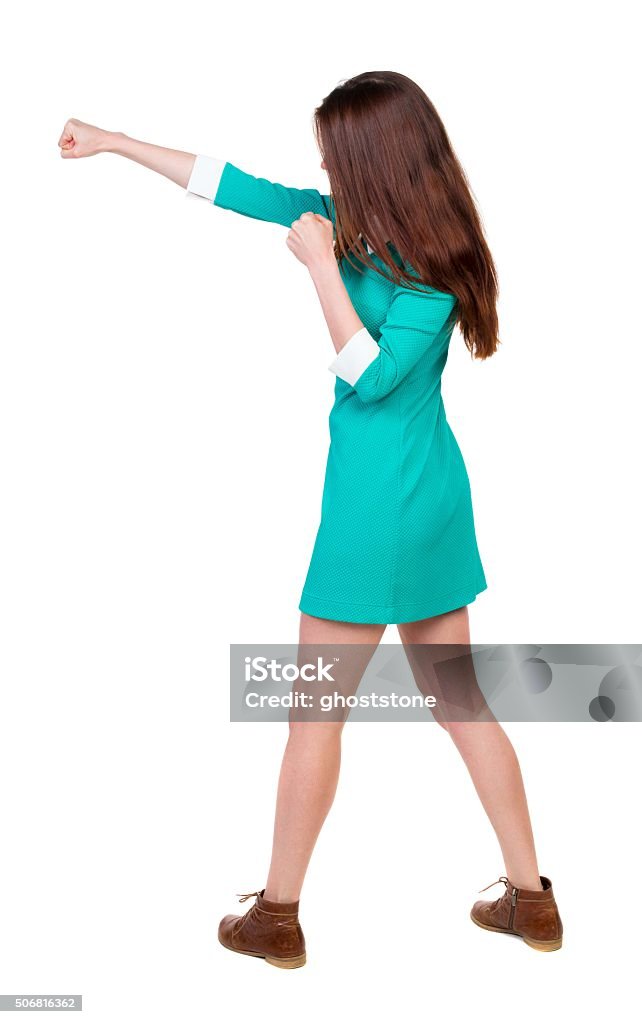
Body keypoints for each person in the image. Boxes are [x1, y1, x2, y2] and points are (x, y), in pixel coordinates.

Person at [58, 70, 563, 967]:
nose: (321, 166)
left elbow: (365, 374)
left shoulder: (423, 272)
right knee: (459, 701)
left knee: (314, 716)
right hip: (434, 501)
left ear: (378, 159)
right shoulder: (371, 225)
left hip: (380, 512)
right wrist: (117, 142)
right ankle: (532, 900)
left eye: (334, 152)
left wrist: (323, 267)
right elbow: (236, 187)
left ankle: (277, 917)